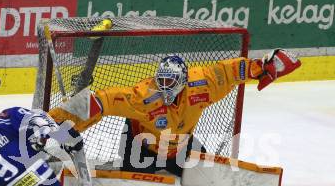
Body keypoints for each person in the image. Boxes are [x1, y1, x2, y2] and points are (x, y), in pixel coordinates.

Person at [48, 49, 301, 176]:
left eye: (171, 82)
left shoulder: (202, 83)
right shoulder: (143, 96)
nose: (164, 87)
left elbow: (231, 71)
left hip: (181, 147)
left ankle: (181, 163)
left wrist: (264, 67)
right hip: (141, 151)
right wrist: (58, 122)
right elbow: (98, 102)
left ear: (183, 80)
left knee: (204, 171)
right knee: (136, 173)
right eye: (161, 81)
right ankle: (135, 169)